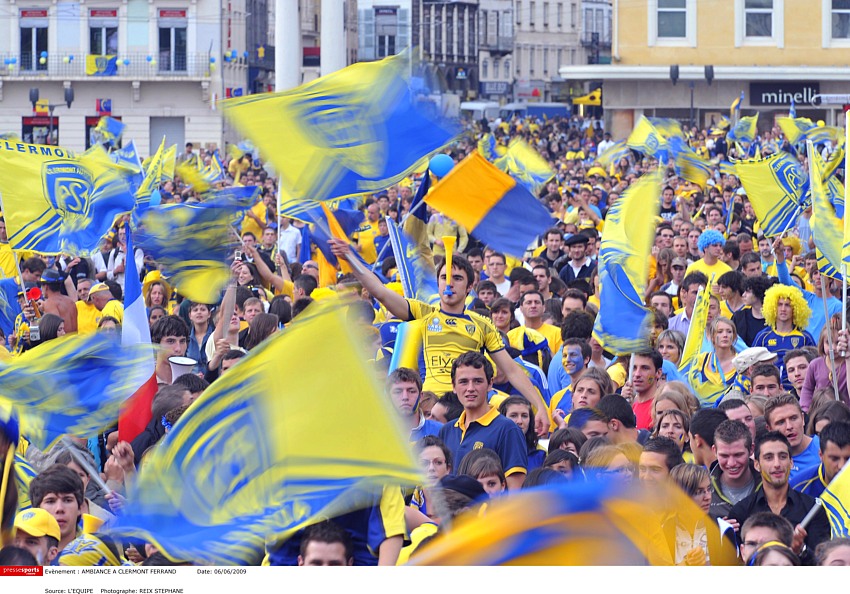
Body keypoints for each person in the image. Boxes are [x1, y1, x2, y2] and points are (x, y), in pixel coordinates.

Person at [329, 241, 549, 434]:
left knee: (513, 414)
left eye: (457, 278)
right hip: (430, 403)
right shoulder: (423, 313)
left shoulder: (483, 325)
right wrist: (349, 257)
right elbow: (380, 292)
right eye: (444, 277)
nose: (449, 283)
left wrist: (540, 407)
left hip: (467, 401)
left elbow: (511, 370)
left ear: (470, 286)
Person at [437, 352, 528, 490]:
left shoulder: (507, 429)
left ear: (490, 383)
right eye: (463, 382)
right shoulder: (447, 430)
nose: (470, 388)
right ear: (454, 386)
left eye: (478, 381)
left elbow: (515, 491)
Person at [728, 431, 830, 554]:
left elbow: (821, 563)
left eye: (782, 456)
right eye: (769, 458)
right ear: (757, 464)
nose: (777, 464)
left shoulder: (812, 508)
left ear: (791, 462)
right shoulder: (741, 511)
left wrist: (801, 550)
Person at [752, 284, 815, 389]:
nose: (783, 309)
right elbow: (752, 365)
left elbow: (814, 366)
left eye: (788, 305)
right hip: (769, 389)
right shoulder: (762, 336)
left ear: (795, 308)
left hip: (797, 390)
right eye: (779, 304)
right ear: (772, 307)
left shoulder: (805, 337)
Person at [709, 419, 760, 520]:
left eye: (738, 455)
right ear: (714, 451)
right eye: (724, 456)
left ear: (751, 449)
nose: (731, 463)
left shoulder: (768, 485)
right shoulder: (701, 489)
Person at [28, 464, 85, 554]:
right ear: (37, 509)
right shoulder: (22, 553)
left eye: (67, 500)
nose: (59, 509)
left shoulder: (97, 552)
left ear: (80, 508)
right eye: (50, 501)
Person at [764, 393, 820, 483]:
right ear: (769, 429)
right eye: (781, 422)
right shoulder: (764, 460)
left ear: (802, 419)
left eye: (793, 418)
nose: (789, 426)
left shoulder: (824, 449)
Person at [791, 420, 850, 497]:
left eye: (848, 459)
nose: (841, 466)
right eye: (834, 459)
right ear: (821, 455)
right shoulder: (798, 488)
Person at [387, 367, 441, 442]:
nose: (405, 397)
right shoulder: (376, 432)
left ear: (421, 396)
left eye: (411, 391)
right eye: (398, 392)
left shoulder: (440, 431)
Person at [621, 350, 664, 431]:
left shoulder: (660, 408)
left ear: (658, 373)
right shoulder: (630, 405)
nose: (637, 374)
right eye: (634, 368)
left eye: (645, 368)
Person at [499, 396, 546, 471]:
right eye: (513, 416)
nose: (519, 421)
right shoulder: (493, 450)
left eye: (524, 416)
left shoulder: (540, 453)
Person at [39, 268, 77, 333]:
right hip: (76, 340)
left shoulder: (48, 304)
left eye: (41, 286)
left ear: (46, 287)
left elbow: (53, 331)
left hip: (63, 342)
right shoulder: (70, 301)